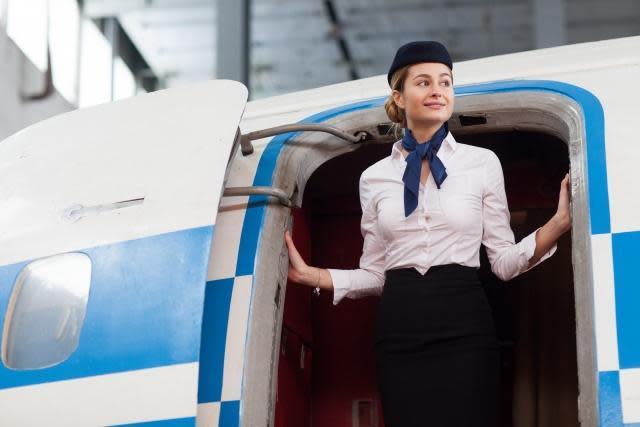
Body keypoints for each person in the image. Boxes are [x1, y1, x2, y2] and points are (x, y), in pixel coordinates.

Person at [284, 41, 571, 427]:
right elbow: (374, 274)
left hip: (464, 323)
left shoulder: (482, 164)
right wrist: (313, 276)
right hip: (399, 328)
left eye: (446, 82)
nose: (438, 91)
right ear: (399, 97)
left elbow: (502, 263)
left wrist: (557, 224)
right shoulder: (373, 179)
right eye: (423, 82)